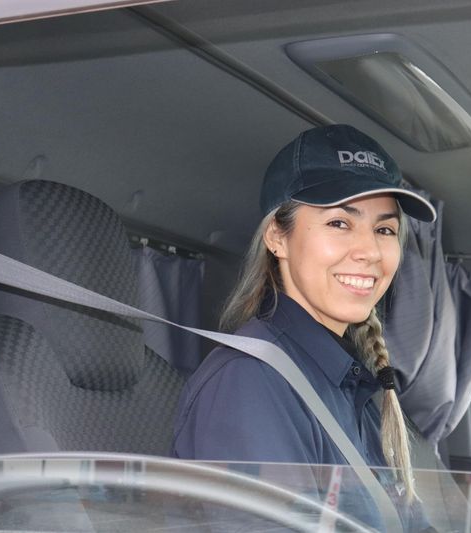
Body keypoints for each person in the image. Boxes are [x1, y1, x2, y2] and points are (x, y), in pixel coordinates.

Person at [172, 124, 437, 530]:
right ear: (277, 237)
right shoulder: (250, 381)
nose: (370, 251)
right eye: (339, 223)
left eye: (384, 230)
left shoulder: (351, 382)